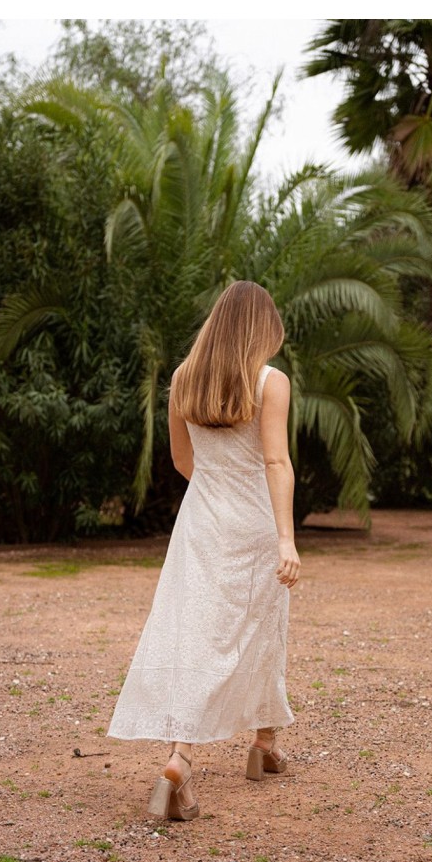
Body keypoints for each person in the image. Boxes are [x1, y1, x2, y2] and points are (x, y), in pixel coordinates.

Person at [107, 280, 300, 821]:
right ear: (261, 329)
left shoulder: (183, 379)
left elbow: (181, 459)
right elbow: (276, 462)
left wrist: (215, 488)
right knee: (262, 628)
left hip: (200, 524)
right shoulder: (270, 381)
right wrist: (285, 537)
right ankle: (202, 758)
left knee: (199, 634)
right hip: (256, 524)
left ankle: (242, 748)